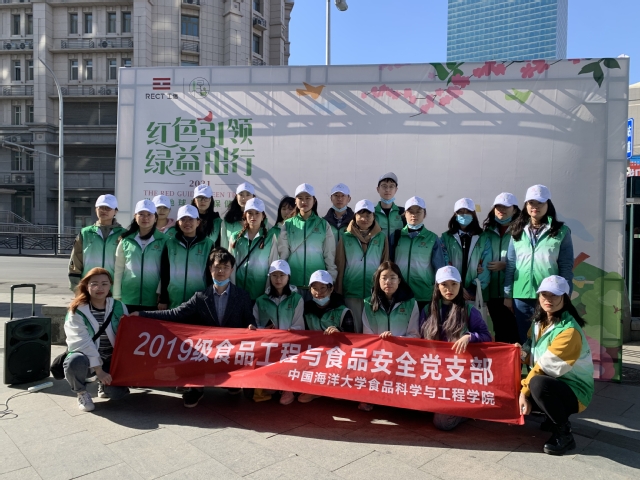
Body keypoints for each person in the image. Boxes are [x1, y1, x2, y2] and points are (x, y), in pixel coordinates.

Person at [133, 248, 256, 408]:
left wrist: (251, 326)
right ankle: (196, 389)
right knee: (189, 349)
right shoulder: (200, 297)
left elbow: (249, 319)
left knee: (233, 383)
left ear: (232, 269)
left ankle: (231, 383)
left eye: (225, 267)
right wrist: (141, 314)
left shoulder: (242, 296)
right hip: (206, 349)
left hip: (230, 349)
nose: (221, 271)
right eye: (217, 267)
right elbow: (175, 313)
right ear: (210, 268)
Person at [518, 275, 594, 456]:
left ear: (565, 298)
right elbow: (529, 346)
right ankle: (551, 416)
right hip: (554, 380)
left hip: (574, 390)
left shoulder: (569, 331)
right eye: (544, 294)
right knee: (524, 382)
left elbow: (545, 367)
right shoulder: (539, 321)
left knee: (537, 384)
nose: (548, 299)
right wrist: (518, 353)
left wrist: (523, 393)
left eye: (554, 295)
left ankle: (564, 433)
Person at [421, 266, 492, 430]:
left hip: (458, 374)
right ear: (437, 286)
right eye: (444, 284)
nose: (449, 289)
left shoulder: (468, 310)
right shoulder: (428, 309)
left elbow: (486, 336)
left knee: (443, 422)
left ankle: (468, 410)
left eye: (454, 284)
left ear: (460, 285)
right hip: (433, 372)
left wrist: (470, 336)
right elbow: (419, 341)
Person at [504, 185, 574, 343]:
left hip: (550, 296)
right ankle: (530, 361)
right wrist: (508, 294)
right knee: (526, 340)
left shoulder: (561, 231)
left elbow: (566, 266)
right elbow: (511, 265)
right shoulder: (516, 230)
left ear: (548, 204)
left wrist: (566, 295)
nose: (535, 207)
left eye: (540, 203)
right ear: (526, 205)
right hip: (521, 296)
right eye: (531, 203)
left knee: (548, 339)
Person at [63, 268, 130, 412]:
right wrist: (99, 370)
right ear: (86, 286)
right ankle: (81, 392)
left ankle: (103, 385)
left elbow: (127, 335)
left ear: (110, 285)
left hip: (111, 357)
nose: (100, 288)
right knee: (74, 361)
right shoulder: (77, 310)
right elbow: (81, 342)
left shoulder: (119, 306)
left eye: (104, 284)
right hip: (86, 358)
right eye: (94, 284)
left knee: (117, 394)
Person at [360, 261, 420, 411]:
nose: (388, 282)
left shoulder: (411, 303)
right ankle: (371, 396)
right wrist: (381, 342)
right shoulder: (368, 303)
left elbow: (414, 334)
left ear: (399, 280)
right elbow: (367, 335)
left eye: (393, 278)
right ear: (378, 280)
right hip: (378, 354)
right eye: (384, 278)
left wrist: (395, 341)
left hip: (402, 353)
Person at [253, 260, 305, 405]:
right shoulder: (261, 300)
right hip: (269, 344)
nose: (278, 279)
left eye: (282, 275)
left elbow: (298, 324)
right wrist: (263, 330)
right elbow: (255, 323)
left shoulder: (297, 299)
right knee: (269, 390)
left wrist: (289, 333)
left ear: (288, 277)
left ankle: (288, 388)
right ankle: (275, 385)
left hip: (289, 344)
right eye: (274, 275)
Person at [300, 270, 354, 404]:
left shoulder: (343, 311)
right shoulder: (305, 309)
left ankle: (329, 387)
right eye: (314, 288)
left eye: (323, 288)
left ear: (331, 289)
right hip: (314, 355)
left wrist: (340, 333)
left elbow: (354, 340)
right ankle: (316, 389)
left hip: (336, 356)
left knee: (338, 397)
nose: (318, 292)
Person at [335, 199, 389, 333]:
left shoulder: (381, 237)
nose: (364, 219)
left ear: (374, 216)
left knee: (373, 330)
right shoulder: (346, 237)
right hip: (351, 291)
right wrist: (339, 291)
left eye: (368, 215)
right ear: (355, 216)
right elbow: (340, 265)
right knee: (354, 329)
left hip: (374, 293)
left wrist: (382, 291)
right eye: (361, 215)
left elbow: (385, 264)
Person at [278, 183, 337, 301]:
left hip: (318, 285)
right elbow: (283, 255)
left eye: (308, 198)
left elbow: (329, 255)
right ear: (295, 201)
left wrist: (331, 279)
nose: (304, 201)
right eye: (300, 198)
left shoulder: (323, 224)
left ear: (314, 200)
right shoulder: (288, 224)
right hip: (293, 284)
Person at [391, 196, 445, 313]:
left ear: (424, 214)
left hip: (424, 294)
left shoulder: (432, 238)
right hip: (399, 293)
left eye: (418, 212)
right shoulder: (396, 236)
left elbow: (440, 268)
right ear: (405, 214)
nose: (414, 215)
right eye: (410, 211)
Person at [113, 199, 167, 312]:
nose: (145, 218)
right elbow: (118, 270)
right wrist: (117, 295)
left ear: (155, 218)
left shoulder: (164, 240)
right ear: (135, 216)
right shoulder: (126, 240)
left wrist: (161, 293)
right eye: (141, 214)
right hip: (128, 297)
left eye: (149, 214)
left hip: (153, 299)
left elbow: (166, 271)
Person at [158, 205, 215, 309]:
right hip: (174, 300)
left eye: (191, 219)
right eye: (183, 219)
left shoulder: (208, 244)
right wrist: (163, 299)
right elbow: (165, 273)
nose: (187, 222)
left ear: (198, 222)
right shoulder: (170, 243)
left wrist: (210, 298)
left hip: (199, 300)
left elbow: (210, 274)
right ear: (178, 223)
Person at [482, 193, 521, 343]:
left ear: (515, 210)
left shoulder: (522, 231)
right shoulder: (488, 231)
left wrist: (505, 266)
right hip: (492, 292)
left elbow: (528, 261)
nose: (501, 210)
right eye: (498, 207)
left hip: (514, 292)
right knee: (500, 333)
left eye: (506, 207)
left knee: (516, 333)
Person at [68, 194, 126, 291]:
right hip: (89, 286)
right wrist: (75, 285)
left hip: (114, 287)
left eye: (108, 208)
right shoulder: (85, 233)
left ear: (115, 211)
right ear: (96, 210)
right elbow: (76, 259)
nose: (104, 211)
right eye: (101, 208)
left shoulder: (124, 234)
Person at [440, 198, 491, 301]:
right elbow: (444, 262)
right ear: (455, 215)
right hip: (451, 290)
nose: (464, 215)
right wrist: (455, 286)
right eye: (461, 212)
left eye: (468, 212)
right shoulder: (446, 237)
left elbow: (486, 263)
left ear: (473, 214)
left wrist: (473, 288)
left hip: (474, 292)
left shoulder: (483, 237)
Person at [228, 198, 278, 302]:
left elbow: (272, 265)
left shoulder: (270, 238)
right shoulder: (235, 237)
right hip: (238, 292)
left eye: (257, 213)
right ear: (245, 215)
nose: (253, 216)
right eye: (250, 213)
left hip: (260, 293)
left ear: (263, 216)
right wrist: (232, 290)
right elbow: (230, 265)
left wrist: (267, 292)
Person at [374, 172, 406, 247]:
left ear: (396, 190)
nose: (387, 190)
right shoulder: (371, 212)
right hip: (378, 252)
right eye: (384, 186)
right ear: (378, 189)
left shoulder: (403, 212)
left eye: (391, 186)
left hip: (397, 252)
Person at [221, 182, 256, 249]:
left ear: (253, 197)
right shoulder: (228, 221)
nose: (244, 198)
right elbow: (223, 247)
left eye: (248, 195)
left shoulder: (261, 219)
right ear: (236, 196)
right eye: (241, 194)